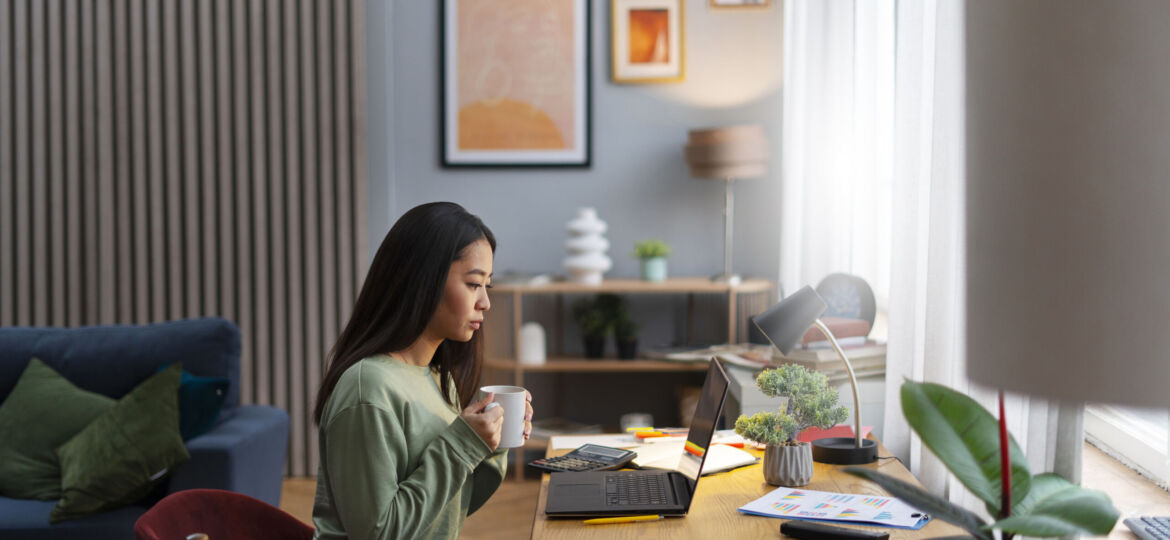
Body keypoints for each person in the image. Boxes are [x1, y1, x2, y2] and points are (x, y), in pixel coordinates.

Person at [311, 202, 533, 539]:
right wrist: (462, 445)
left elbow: (448, 506)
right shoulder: (368, 388)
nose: (485, 302)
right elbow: (378, 533)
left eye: (488, 286)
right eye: (474, 284)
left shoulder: (437, 376)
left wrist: (491, 442)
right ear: (423, 280)